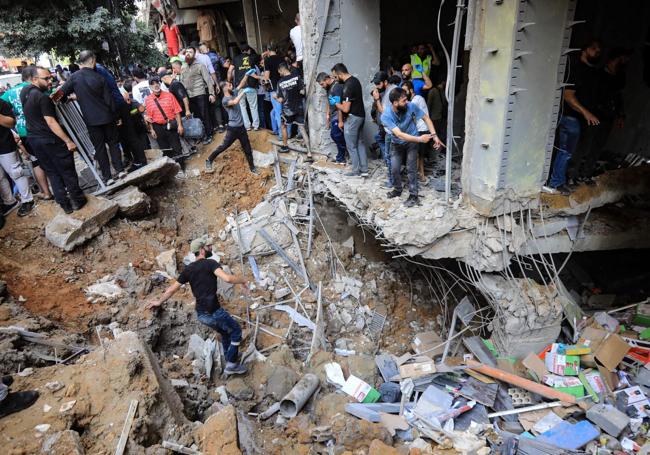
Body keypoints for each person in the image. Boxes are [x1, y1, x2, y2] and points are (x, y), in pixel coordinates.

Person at [145, 236, 250, 376]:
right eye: (208, 247)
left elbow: (171, 289)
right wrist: (243, 280)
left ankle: (229, 358)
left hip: (202, 315)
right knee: (236, 331)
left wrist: (159, 301)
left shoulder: (188, 270)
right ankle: (232, 364)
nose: (210, 248)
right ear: (202, 250)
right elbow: (227, 278)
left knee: (225, 332)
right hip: (214, 311)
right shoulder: (210, 263)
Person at [21, 66, 86, 214]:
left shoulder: (25, 92)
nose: (50, 81)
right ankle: (77, 200)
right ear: (34, 79)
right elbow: (50, 121)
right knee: (67, 170)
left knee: (52, 172)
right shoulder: (42, 98)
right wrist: (68, 141)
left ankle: (64, 204)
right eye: (46, 78)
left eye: (50, 77)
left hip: (34, 140)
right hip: (50, 140)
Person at [59, 50, 126, 185]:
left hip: (91, 120)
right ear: (93, 61)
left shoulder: (74, 78)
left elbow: (61, 93)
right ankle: (120, 170)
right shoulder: (99, 77)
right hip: (107, 117)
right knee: (113, 143)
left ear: (80, 63)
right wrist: (117, 116)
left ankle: (108, 178)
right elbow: (109, 99)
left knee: (100, 148)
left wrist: (66, 98)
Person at [546, 39, 602, 194]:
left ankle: (556, 181)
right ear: (584, 49)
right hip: (570, 117)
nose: (597, 52)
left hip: (577, 119)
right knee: (565, 151)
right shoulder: (576, 69)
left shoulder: (591, 71)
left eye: (599, 50)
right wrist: (586, 113)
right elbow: (568, 96)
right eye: (594, 48)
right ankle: (555, 183)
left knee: (565, 151)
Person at [569, 47, 631, 184]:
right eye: (622, 59)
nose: (624, 62)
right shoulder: (598, 75)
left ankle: (585, 174)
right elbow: (591, 96)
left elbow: (618, 97)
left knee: (597, 147)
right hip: (594, 115)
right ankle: (572, 175)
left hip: (607, 116)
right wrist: (589, 112)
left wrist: (620, 115)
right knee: (584, 146)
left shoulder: (619, 77)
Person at [381, 87, 443, 207]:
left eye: (406, 99)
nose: (407, 102)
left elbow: (426, 118)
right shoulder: (386, 116)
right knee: (394, 168)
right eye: (403, 100)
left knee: (411, 169)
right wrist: (420, 139)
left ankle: (414, 195)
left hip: (412, 143)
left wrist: (434, 135)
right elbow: (399, 134)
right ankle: (397, 190)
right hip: (397, 143)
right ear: (395, 103)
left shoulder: (411, 106)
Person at [1, 66, 53, 201]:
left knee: (36, 162)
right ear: (33, 77)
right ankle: (61, 189)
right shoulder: (37, 88)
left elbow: (5, 107)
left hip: (24, 131)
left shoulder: (9, 93)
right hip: (44, 128)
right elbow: (49, 98)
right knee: (52, 159)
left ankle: (46, 192)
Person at [95, 62, 147, 171]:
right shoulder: (102, 71)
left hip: (119, 108)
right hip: (120, 107)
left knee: (130, 137)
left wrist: (116, 115)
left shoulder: (98, 71)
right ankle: (137, 160)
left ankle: (140, 161)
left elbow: (108, 96)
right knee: (127, 138)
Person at [204, 79, 258, 174]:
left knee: (247, 148)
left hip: (241, 128)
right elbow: (235, 102)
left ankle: (252, 167)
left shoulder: (233, 92)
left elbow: (241, 84)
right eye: (229, 85)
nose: (231, 86)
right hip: (233, 129)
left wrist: (247, 75)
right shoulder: (225, 100)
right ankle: (209, 159)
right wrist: (244, 92)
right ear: (225, 88)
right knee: (224, 146)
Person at [0, 98, 35, 216]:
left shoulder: (1, 103)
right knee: (0, 178)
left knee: (17, 172)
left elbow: (11, 122)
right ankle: (10, 202)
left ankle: (28, 199)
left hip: (5, 145)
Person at [332, 63, 367, 177]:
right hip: (361, 116)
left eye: (336, 77)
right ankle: (364, 170)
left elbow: (346, 108)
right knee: (360, 143)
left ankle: (355, 171)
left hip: (352, 118)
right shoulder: (355, 80)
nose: (335, 80)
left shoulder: (348, 86)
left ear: (340, 74)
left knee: (351, 146)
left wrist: (336, 103)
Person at [274, 62, 311, 161]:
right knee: (302, 129)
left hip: (287, 110)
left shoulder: (280, 82)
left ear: (282, 70)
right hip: (299, 108)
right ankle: (309, 153)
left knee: (283, 126)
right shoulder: (297, 77)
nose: (279, 73)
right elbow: (302, 92)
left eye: (279, 72)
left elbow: (281, 100)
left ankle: (285, 146)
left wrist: (275, 97)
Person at [180, 47, 215, 145]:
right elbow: (182, 82)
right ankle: (201, 135)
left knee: (205, 115)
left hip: (200, 93)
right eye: (186, 52)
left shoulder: (200, 65)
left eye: (190, 52)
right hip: (189, 96)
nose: (187, 54)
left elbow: (208, 80)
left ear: (194, 55)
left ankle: (209, 134)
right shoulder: (184, 67)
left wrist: (211, 93)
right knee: (197, 117)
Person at [144, 76, 184, 158]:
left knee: (177, 147)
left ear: (159, 84)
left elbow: (177, 111)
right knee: (165, 150)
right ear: (150, 87)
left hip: (171, 124)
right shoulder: (148, 100)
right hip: (158, 127)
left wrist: (180, 125)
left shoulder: (169, 95)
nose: (156, 85)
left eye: (157, 83)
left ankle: (181, 167)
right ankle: (171, 168)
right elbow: (149, 117)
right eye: (153, 84)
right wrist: (152, 130)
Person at [371, 71, 398, 187]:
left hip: (392, 131)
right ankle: (393, 179)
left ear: (385, 82)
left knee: (390, 156)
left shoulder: (390, 93)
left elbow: (384, 112)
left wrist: (377, 99)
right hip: (390, 129)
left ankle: (393, 181)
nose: (376, 86)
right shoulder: (390, 90)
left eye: (378, 83)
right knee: (390, 155)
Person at [403, 80, 433, 184]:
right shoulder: (416, 99)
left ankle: (417, 176)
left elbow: (409, 112)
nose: (403, 94)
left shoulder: (416, 99)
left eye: (405, 91)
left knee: (416, 154)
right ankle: (420, 175)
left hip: (421, 129)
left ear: (411, 90)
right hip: (420, 129)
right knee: (419, 154)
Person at [316, 72, 347, 164]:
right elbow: (330, 101)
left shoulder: (336, 87)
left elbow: (339, 105)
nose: (322, 86)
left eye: (322, 84)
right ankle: (341, 157)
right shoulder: (329, 88)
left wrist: (340, 120)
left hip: (338, 114)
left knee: (336, 134)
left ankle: (341, 157)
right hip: (333, 114)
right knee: (334, 135)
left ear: (327, 79)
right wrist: (328, 114)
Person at [232, 44, 261, 130]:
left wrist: (230, 80)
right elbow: (258, 56)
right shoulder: (253, 57)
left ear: (240, 51)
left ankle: (247, 126)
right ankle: (256, 126)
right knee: (253, 106)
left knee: (242, 106)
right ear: (248, 50)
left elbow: (230, 70)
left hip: (240, 86)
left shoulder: (235, 59)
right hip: (251, 85)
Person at [263, 44, 284, 139]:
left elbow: (266, 77)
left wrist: (263, 78)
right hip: (283, 87)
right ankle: (275, 130)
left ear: (268, 50)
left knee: (278, 112)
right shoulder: (281, 58)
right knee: (273, 113)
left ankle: (281, 135)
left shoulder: (267, 60)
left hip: (274, 89)